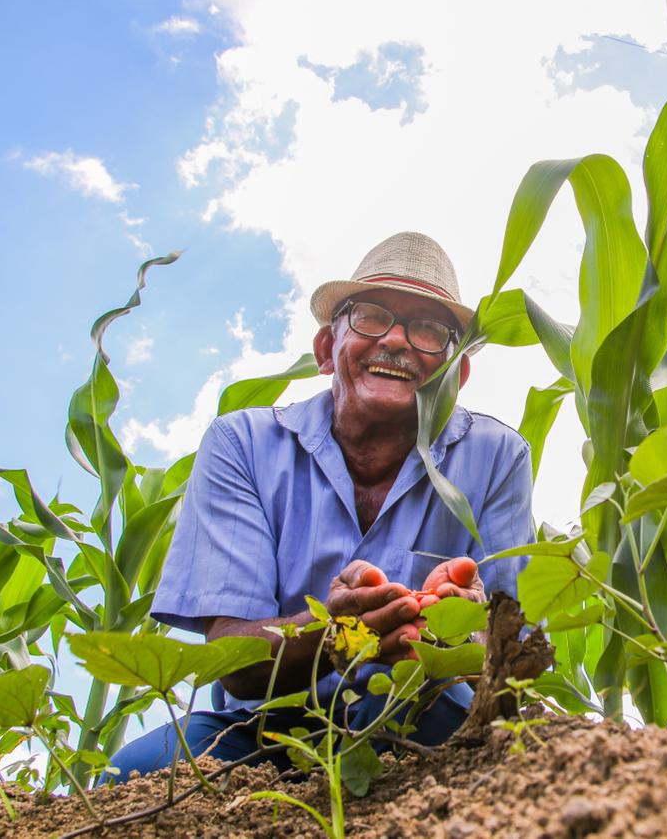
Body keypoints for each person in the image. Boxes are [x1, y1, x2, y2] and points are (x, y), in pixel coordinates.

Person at [110, 231, 535, 780]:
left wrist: (458, 626)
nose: (398, 341)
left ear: (458, 373)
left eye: (430, 330)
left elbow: (506, 653)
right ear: (323, 351)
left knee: (509, 756)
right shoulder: (244, 444)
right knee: (135, 773)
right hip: (263, 729)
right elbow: (232, 662)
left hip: (423, 714)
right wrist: (339, 634)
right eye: (371, 316)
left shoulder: (498, 456)